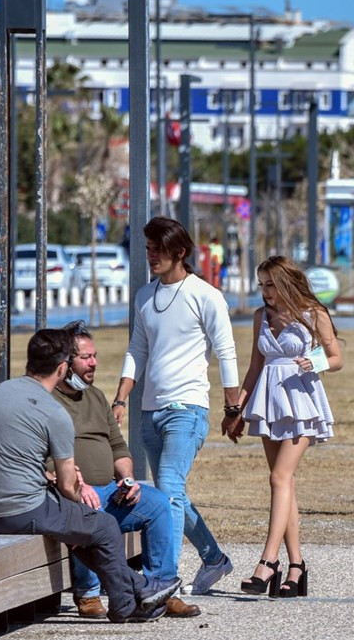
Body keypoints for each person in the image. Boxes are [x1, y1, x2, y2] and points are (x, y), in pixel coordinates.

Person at [0, 329, 179, 623]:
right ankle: (127, 605)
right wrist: (82, 499)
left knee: (81, 530)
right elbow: (68, 487)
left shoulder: (4, 391)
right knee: (102, 526)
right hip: (19, 510)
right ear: (62, 367)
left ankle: (141, 590)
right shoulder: (54, 413)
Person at [112, 216, 237, 596]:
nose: (150, 255)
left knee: (167, 489)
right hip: (150, 410)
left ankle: (164, 577)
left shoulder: (207, 295)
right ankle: (213, 558)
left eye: (157, 249)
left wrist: (233, 410)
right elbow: (137, 350)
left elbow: (226, 351)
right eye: (147, 248)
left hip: (189, 409)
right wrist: (121, 398)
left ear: (179, 252)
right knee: (171, 493)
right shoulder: (144, 296)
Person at [51, 321, 200, 619]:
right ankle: (88, 594)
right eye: (86, 358)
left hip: (110, 489)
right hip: (73, 492)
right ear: (65, 363)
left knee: (159, 502)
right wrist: (76, 485)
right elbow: (44, 457)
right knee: (87, 509)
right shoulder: (49, 400)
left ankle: (162, 587)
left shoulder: (95, 396)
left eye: (94, 356)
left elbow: (118, 447)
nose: (94, 362)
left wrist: (128, 480)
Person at [222, 256, 342, 598]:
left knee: (279, 478)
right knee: (283, 482)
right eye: (261, 284)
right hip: (268, 403)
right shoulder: (260, 317)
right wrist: (236, 410)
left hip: (302, 401)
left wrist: (313, 362)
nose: (265, 291)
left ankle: (268, 561)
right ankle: (297, 567)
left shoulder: (313, 314)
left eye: (271, 284)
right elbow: (254, 367)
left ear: (287, 282)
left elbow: (336, 359)